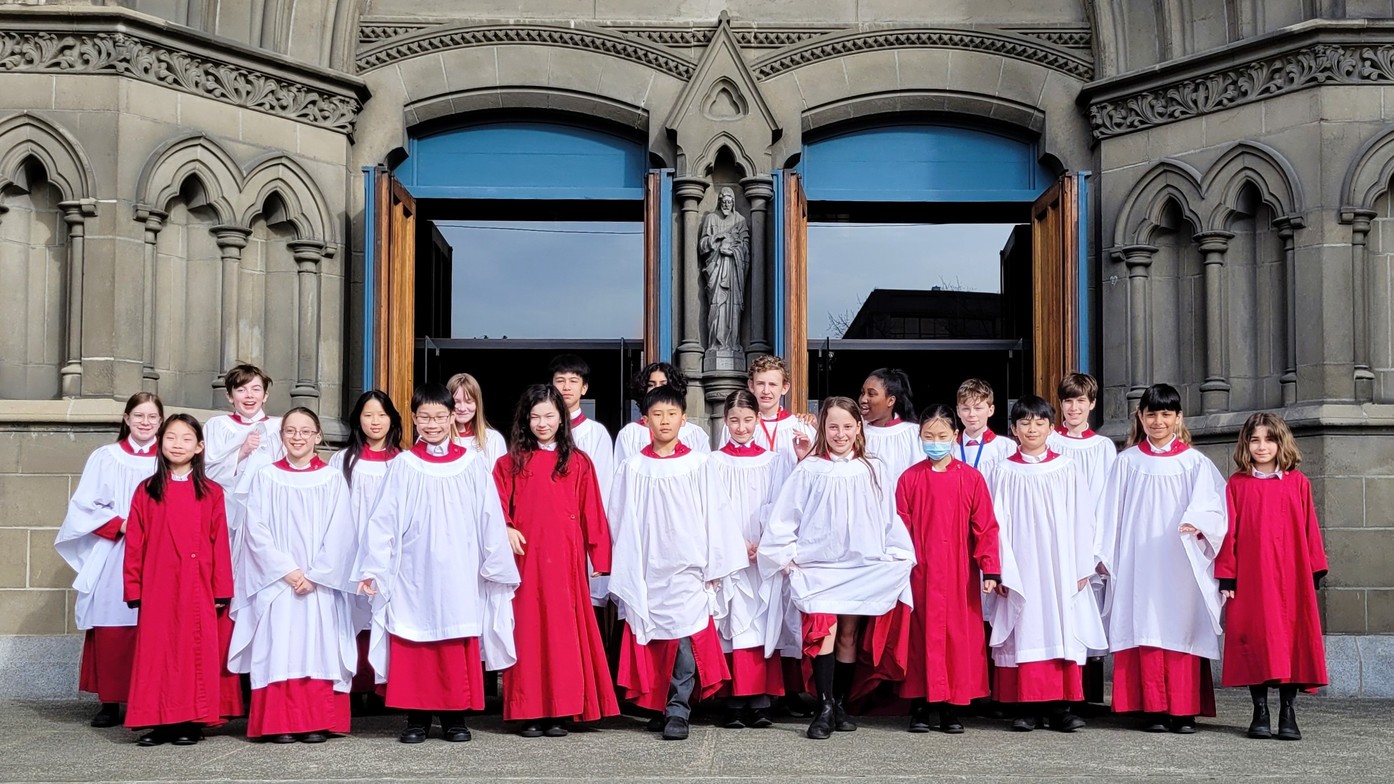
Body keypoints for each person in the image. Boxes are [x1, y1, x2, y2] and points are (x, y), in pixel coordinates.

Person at [356, 383, 520, 744]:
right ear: (414, 419)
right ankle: (416, 719)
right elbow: (383, 520)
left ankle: (454, 718)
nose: (432, 424)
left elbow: (489, 517)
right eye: (424, 417)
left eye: (439, 417)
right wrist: (374, 568)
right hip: (414, 571)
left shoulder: (472, 463)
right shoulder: (404, 465)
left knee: (454, 641)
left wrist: (496, 566)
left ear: (451, 418)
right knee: (415, 641)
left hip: (460, 570)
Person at [760, 397, 915, 740]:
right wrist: (786, 553)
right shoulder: (809, 468)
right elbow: (787, 515)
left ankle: (841, 703)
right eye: (833, 427)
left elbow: (888, 516)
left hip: (860, 565)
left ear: (858, 428)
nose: (840, 434)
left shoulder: (873, 468)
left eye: (847, 426)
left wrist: (897, 552)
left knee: (847, 635)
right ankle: (824, 706)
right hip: (819, 566)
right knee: (823, 632)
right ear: (822, 429)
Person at [608, 385, 747, 741]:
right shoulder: (633, 467)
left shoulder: (699, 464)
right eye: (657, 415)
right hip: (647, 566)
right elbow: (620, 517)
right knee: (651, 639)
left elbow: (716, 513)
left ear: (683, 419)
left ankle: (678, 709)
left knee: (685, 640)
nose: (665, 421)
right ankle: (658, 703)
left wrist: (714, 565)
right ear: (646, 420)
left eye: (671, 414)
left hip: (689, 566)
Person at [1097, 383, 1227, 734]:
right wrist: (1102, 555)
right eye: (1151, 413)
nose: (1158, 421)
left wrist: (1199, 522)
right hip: (1138, 559)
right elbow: (1108, 512)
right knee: (1146, 624)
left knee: (1181, 627)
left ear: (1178, 417)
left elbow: (1215, 507)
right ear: (1140, 416)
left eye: (1166, 413)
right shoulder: (1126, 462)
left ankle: (1183, 710)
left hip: (1181, 562)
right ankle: (1153, 708)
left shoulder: (1194, 463)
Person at [493, 385, 618, 737]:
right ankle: (527, 711)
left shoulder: (577, 462)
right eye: (535, 417)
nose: (542, 423)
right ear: (524, 420)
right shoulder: (509, 462)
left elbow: (592, 510)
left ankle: (561, 711)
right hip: (526, 560)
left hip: (565, 559)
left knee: (564, 635)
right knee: (528, 632)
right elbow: (494, 508)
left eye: (549, 416)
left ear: (562, 418)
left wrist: (600, 555)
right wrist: (504, 526)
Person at [229, 408, 359, 744]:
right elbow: (255, 530)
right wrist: (287, 570)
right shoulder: (267, 477)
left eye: (305, 431)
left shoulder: (331, 478)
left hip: (319, 585)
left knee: (319, 647)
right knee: (279, 648)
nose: (298, 437)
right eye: (290, 431)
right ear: (281, 436)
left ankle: (317, 720)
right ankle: (278, 722)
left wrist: (316, 575)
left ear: (318, 436)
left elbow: (342, 532)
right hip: (278, 583)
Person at [987, 395, 1106, 733]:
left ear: (1051, 428)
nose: (1032, 428)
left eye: (1039, 422)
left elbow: (1084, 518)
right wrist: (1001, 570)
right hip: (1020, 566)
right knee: (1025, 627)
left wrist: (1083, 565)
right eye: (1025, 422)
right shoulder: (1003, 471)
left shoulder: (1066, 468)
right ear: (1013, 429)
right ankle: (1025, 706)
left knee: (1060, 626)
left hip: (1061, 565)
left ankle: (1061, 707)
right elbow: (995, 524)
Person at [122, 414, 235, 746]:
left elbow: (220, 541)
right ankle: (159, 721)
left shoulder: (212, 492)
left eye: (187, 439)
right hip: (158, 585)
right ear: (160, 443)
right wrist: (134, 586)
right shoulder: (147, 490)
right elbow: (135, 543)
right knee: (157, 654)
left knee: (193, 652)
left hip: (198, 584)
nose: (178, 444)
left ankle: (190, 721)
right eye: (171, 438)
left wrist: (221, 588)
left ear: (200, 447)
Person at [1216, 412, 1328, 741]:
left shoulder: (1298, 483)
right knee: (1257, 639)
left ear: (1281, 443)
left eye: (1269, 439)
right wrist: (1227, 576)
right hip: (1252, 577)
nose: (1262, 446)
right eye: (1254, 440)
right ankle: (1260, 710)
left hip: (1292, 577)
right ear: (1245, 445)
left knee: (1292, 640)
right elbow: (1229, 534)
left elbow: (1310, 529)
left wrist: (1314, 569)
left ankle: (1288, 711)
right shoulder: (1237, 484)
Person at [54, 392, 163, 728]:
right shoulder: (106, 457)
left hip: (159, 551)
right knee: (113, 621)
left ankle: (148, 700)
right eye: (139, 416)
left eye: (152, 417)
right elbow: (84, 507)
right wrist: (123, 524)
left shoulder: (170, 457)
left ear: (161, 422)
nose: (145, 423)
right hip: (116, 550)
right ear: (127, 419)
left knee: (155, 624)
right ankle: (110, 701)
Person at [894, 403, 1001, 735]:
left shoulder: (971, 478)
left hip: (959, 574)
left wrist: (991, 569)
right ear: (919, 437)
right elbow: (898, 528)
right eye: (929, 436)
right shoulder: (909, 479)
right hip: (920, 573)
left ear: (954, 436)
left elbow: (985, 526)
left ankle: (953, 708)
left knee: (957, 638)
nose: (935, 441)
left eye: (942, 435)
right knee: (919, 639)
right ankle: (921, 705)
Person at [709, 390, 799, 729]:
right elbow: (713, 510)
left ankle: (761, 701)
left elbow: (779, 506)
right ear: (725, 422)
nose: (741, 427)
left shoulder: (774, 461)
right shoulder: (714, 462)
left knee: (762, 620)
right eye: (734, 420)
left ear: (757, 420)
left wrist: (763, 542)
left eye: (748, 420)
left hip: (763, 554)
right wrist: (735, 543)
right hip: (730, 556)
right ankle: (733, 701)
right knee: (733, 620)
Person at [327, 390, 404, 709]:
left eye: (382, 415)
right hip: (351, 548)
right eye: (368, 414)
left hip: (388, 552)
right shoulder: (342, 460)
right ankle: (355, 687)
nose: (375, 421)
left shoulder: (403, 461)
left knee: (385, 615)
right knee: (351, 616)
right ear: (358, 419)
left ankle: (383, 687)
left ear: (392, 420)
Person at [1044, 372, 1117, 704]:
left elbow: (1108, 499)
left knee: (1090, 617)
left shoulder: (1103, 447)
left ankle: (1089, 696)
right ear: (1060, 405)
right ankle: (1061, 694)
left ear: (1092, 404)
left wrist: (1099, 550)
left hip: (1091, 543)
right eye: (1068, 401)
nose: (1074, 408)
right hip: (1056, 541)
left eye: (1081, 401)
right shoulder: (1049, 442)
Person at [549, 354, 619, 611]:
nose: (566, 387)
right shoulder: (541, 431)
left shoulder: (595, 433)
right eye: (560, 381)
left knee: (587, 602)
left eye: (573, 381)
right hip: (551, 529)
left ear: (584, 387)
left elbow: (602, 486)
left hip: (582, 526)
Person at [204, 364, 285, 503]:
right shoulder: (217, 426)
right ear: (230, 396)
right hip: (228, 504)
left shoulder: (279, 428)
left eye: (256, 389)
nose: (249, 395)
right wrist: (241, 452)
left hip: (268, 502)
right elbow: (208, 473)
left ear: (265, 396)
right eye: (241, 390)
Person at [717, 354, 816, 456]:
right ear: (751, 385)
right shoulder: (736, 427)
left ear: (784, 388)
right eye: (760, 383)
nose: (766, 391)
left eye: (772, 384)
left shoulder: (801, 427)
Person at [613, 362, 712, 464]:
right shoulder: (630, 433)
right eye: (651, 385)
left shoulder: (693, 433)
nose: (657, 388)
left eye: (663, 384)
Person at [699, 186, 750, 352]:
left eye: (730, 202)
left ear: (733, 202)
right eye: (724, 201)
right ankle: (715, 344)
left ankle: (733, 344)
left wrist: (734, 251)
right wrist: (716, 239)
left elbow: (746, 247)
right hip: (716, 270)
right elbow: (702, 245)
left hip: (734, 272)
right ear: (719, 201)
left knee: (733, 308)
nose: (727, 205)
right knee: (716, 307)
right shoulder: (711, 219)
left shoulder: (740, 220)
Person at [858, 369, 924, 486]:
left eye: (871, 394)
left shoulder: (914, 434)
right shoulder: (855, 432)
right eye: (862, 393)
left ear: (890, 400)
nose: (863, 399)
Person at [954, 378, 1016, 486]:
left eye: (978, 408)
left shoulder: (1005, 447)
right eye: (965, 409)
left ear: (990, 410)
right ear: (958, 411)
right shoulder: (950, 448)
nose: (971, 414)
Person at [447, 372, 508, 467]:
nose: (462, 408)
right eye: (456, 402)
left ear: (477, 403)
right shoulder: (436, 438)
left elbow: (499, 478)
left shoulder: (493, 439)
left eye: (468, 401)